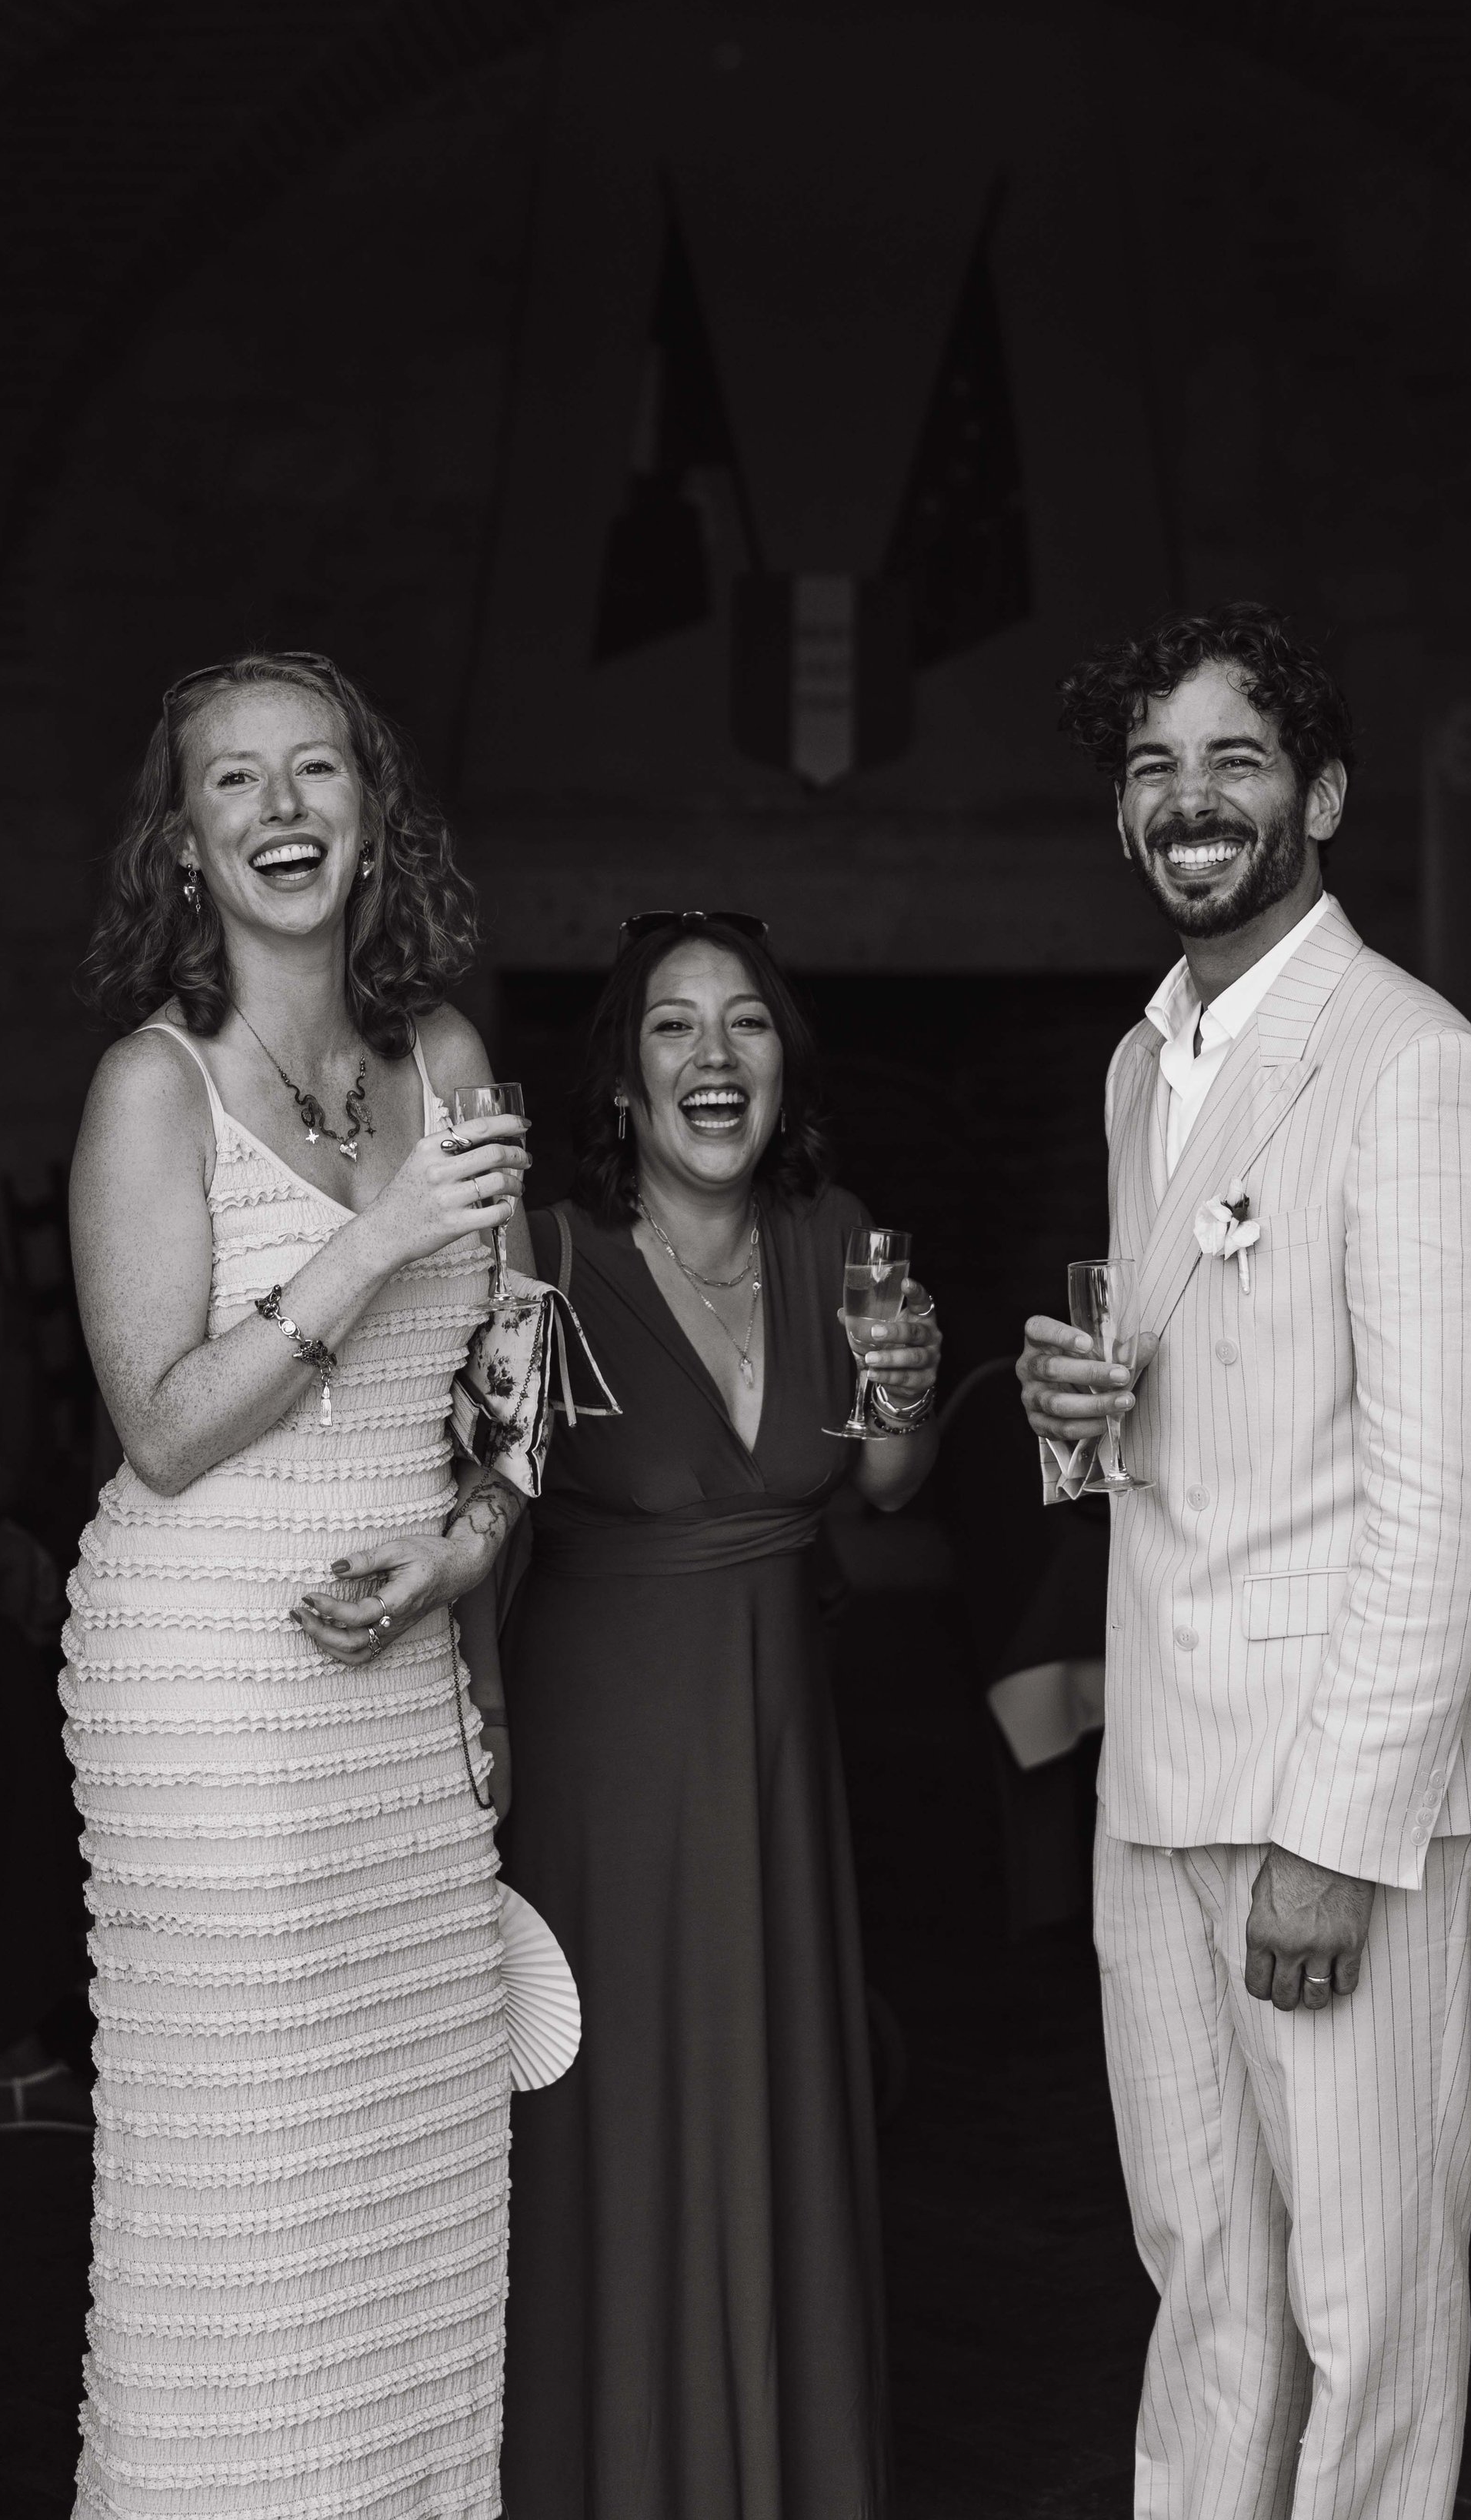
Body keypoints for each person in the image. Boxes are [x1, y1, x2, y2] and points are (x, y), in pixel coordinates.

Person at [1017, 607, 1471, 2520]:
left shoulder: (1412, 1068)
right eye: (1153, 768)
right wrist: (1064, 1407)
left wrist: (1334, 1837)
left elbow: (1450, 1500)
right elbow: (1196, 1417)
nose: (1190, 801)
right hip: (1158, 1760)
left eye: (1233, 760)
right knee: (1206, 2289)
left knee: (1364, 2303)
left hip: (1338, 1790)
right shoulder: (1136, 1064)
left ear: (1315, 794)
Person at [63, 648, 533, 2519]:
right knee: (250, 2210)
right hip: (210, 1706)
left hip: (396, 1690)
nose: (280, 811)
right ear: (182, 843)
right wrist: (380, 1239)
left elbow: (504, 1387)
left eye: (315, 772)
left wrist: (461, 1561)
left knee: (406, 2205)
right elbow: (164, 1430)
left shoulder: (447, 1061)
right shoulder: (148, 1091)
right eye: (233, 783)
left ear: (370, 811)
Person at [499, 914, 940, 2520]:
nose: (709, 1057)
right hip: (599, 1762)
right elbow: (483, 1507)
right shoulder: (539, 1257)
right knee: (612, 2123)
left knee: (775, 2113)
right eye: (671, 1028)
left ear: (782, 1068)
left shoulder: (841, 1239)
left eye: (744, 1026)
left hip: (776, 1751)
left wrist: (902, 1392)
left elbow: (883, 1486)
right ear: (619, 1082)